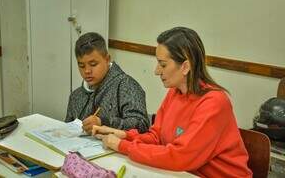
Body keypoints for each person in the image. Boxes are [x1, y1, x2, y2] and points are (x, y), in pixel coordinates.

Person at [92, 27, 252, 177]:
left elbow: (179, 156)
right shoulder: (175, 92)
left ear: (185, 66)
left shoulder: (214, 102)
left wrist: (122, 146)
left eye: (163, 64)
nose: (156, 71)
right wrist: (125, 136)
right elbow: (157, 138)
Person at [65, 32, 149, 134]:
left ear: (107, 59)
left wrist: (103, 122)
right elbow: (68, 130)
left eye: (93, 64)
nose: (87, 71)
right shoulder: (76, 96)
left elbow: (142, 124)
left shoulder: (126, 86)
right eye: (81, 66)